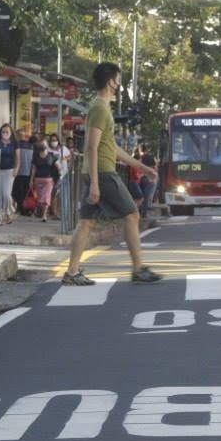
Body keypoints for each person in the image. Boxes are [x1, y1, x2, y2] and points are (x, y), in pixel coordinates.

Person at [63, 62, 161, 286]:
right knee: (132, 215)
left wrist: (142, 167)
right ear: (111, 81)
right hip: (104, 174)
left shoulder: (102, 108)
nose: (119, 84)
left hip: (97, 171)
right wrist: (96, 183)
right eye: (118, 79)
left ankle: (71, 272)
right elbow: (92, 146)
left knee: (86, 223)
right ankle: (138, 269)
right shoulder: (99, 108)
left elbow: (113, 148)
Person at [0, 123, 19, 225]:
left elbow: (18, 157)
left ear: (11, 133)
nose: (5, 133)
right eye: (3, 131)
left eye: (7, 132)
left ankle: (10, 210)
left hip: (9, 170)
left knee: (6, 194)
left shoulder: (14, 143)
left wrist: (16, 169)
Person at [29, 138, 59, 222]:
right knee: (40, 199)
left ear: (47, 145)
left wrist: (59, 169)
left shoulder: (51, 155)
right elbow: (34, 168)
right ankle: (41, 212)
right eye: (41, 143)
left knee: (46, 197)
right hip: (38, 179)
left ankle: (44, 215)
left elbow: (56, 165)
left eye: (44, 143)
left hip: (49, 179)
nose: (42, 145)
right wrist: (31, 180)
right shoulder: (35, 155)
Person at [48, 133, 71, 222]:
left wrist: (64, 159)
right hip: (50, 173)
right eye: (52, 140)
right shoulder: (48, 149)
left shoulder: (63, 149)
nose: (54, 142)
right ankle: (54, 212)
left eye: (55, 140)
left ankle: (59, 212)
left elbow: (69, 156)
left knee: (59, 193)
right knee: (53, 193)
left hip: (61, 173)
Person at [13, 130, 34, 216]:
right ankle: (26, 209)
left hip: (18, 173)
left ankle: (21, 209)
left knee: (18, 192)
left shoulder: (15, 145)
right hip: (28, 173)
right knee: (26, 192)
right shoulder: (31, 146)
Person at [139, 143, 157, 218]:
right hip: (150, 178)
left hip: (142, 177)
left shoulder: (141, 157)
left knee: (141, 196)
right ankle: (144, 213)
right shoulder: (152, 157)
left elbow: (139, 165)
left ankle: (140, 212)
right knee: (147, 196)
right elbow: (155, 166)